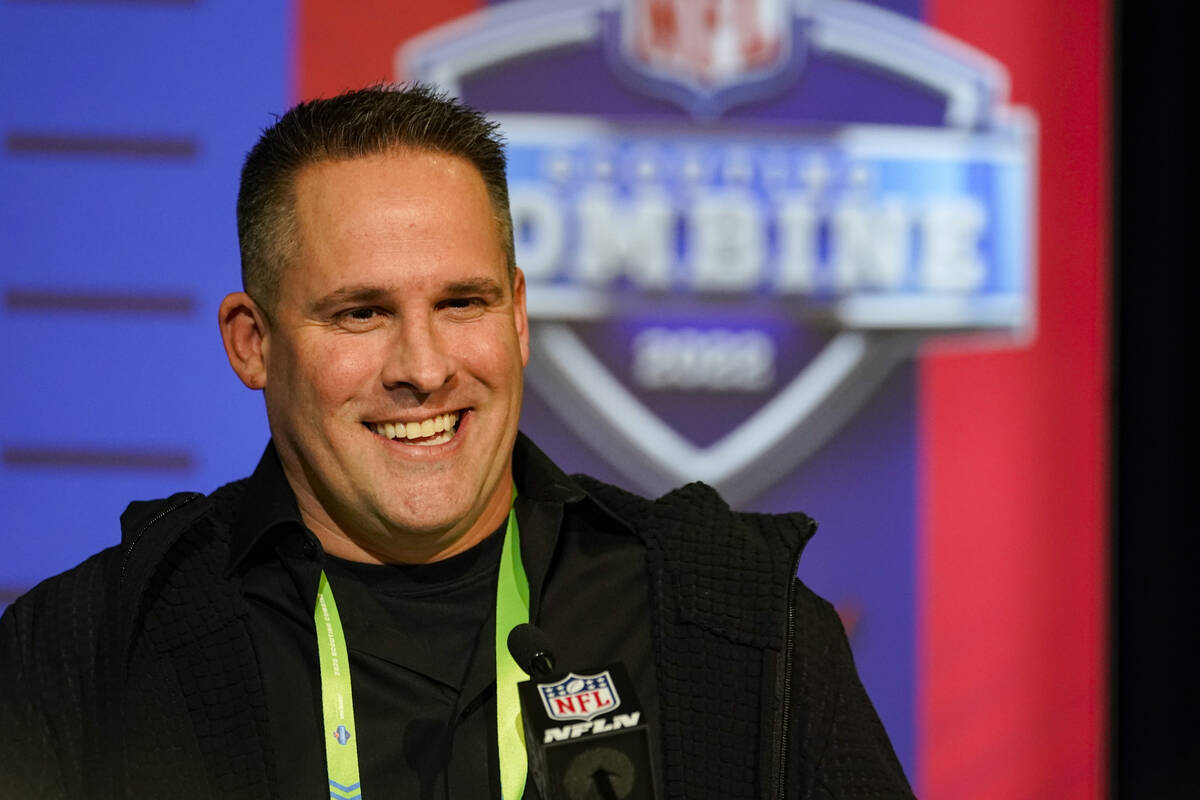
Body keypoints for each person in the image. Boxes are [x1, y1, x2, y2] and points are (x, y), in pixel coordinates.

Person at [0, 84, 912, 799]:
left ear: (517, 316)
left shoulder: (745, 624)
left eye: (461, 303)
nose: (424, 368)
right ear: (254, 343)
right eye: (360, 313)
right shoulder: (89, 647)